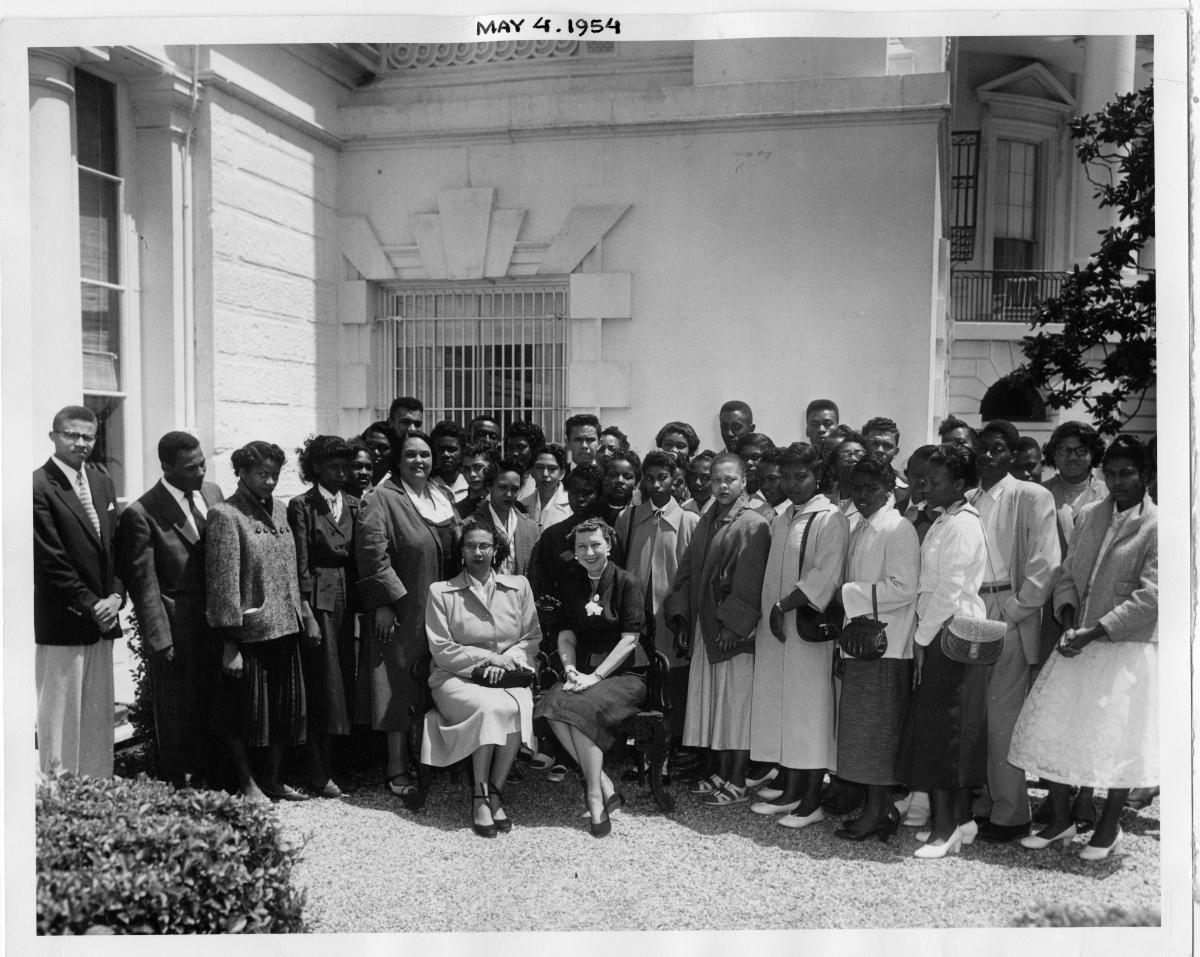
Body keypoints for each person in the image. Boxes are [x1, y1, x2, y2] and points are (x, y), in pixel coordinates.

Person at [1008, 435, 1157, 861]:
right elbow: (1068, 573)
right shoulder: (1091, 514)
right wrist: (1070, 617)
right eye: (1111, 473)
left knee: (1116, 738)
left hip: (1123, 647)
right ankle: (1060, 819)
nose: (1118, 481)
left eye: (1127, 473)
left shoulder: (1158, 525)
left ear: (1146, 476)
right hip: (1077, 639)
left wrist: (1096, 631)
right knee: (1057, 727)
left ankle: (1108, 826)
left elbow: (1152, 595)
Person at [894, 444, 989, 859]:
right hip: (942, 629)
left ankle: (945, 829)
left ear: (960, 484)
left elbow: (949, 591)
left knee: (943, 733)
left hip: (949, 632)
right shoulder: (946, 519)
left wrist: (921, 638)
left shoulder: (962, 524)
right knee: (944, 729)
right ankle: (960, 820)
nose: (925, 486)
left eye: (935, 481)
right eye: (923, 479)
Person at [968, 420, 1061, 843]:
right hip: (971, 607)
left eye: (997, 448)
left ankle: (1012, 814)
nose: (988, 455)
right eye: (982, 447)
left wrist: (1017, 608)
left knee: (1003, 717)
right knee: (976, 714)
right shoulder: (969, 499)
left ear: (1012, 454)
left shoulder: (1031, 495)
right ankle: (985, 803)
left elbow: (1046, 561)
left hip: (1008, 606)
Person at [749, 442, 849, 827]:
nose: (792, 484)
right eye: (786, 477)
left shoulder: (830, 518)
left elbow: (826, 574)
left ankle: (811, 801)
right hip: (779, 631)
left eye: (800, 476)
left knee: (809, 713)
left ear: (818, 476)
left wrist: (783, 605)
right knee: (785, 709)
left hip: (806, 630)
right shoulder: (784, 516)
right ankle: (791, 790)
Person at [356, 430, 460, 800]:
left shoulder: (441, 494)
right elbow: (372, 553)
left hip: (443, 607)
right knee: (398, 684)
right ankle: (396, 766)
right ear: (397, 460)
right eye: (411, 455)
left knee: (435, 680)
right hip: (405, 607)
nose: (419, 461)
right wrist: (383, 603)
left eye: (425, 455)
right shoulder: (381, 498)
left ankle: (430, 759)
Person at [422, 518, 541, 837]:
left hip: (509, 675)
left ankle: (496, 794)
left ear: (495, 550)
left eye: (484, 546)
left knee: (515, 707)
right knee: (489, 708)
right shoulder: (441, 592)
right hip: (455, 678)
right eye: (470, 546)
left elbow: (531, 637)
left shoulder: (519, 587)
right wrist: (486, 659)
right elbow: (441, 647)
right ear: (461, 551)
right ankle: (479, 795)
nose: (477, 552)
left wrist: (506, 662)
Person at [118, 430, 225, 786]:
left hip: (217, 622)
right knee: (178, 712)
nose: (201, 472)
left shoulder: (212, 493)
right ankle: (181, 786)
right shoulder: (141, 512)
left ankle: (217, 782)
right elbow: (144, 583)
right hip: (177, 625)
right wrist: (160, 639)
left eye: (202, 464)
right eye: (191, 468)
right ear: (166, 467)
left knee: (216, 705)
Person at [665, 451, 771, 806]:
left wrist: (733, 626)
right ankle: (722, 772)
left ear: (745, 481)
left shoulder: (753, 523)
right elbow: (686, 571)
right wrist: (682, 616)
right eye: (716, 480)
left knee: (736, 706)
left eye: (730, 479)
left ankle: (738, 779)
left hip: (730, 631)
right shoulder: (708, 518)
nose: (722, 486)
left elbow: (750, 580)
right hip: (704, 624)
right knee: (716, 704)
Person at [206, 441, 307, 802]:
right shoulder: (226, 515)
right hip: (250, 632)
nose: (270, 481)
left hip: (285, 626)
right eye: (262, 474)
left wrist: (301, 613)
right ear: (242, 473)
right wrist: (229, 642)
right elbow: (222, 582)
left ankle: (274, 779)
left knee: (284, 711)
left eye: (275, 474)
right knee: (243, 714)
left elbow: (291, 567)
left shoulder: (280, 510)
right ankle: (247, 784)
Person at [534, 518, 649, 837]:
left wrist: (595, 676)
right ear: (574, 551)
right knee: (551, 706)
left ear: (609, 546)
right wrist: (570, 669)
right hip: (584, 672)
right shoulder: (571, 583)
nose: (589, 552)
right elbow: (566, 636)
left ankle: (594, 796)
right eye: (581, 546)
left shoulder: (627, 582)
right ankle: (603, 782)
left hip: (625, 674)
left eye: (596, 544)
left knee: (581, 710)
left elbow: (630, 641)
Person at [34, 405, 125, 778]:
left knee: (98, 724)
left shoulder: (102, 482)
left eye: (88, 436)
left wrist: (116, 597)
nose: (80, 443)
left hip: (104, 622)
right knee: (61, 724)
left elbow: (116, 548)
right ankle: (61, 802)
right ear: (53, 436)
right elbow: (50, 560)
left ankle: (97, 798)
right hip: (64, 623)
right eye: (71, 434)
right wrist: (92, 606)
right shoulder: (38, 485)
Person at [832, 454, 919, 841]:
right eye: (857, 488)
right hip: (862, 643)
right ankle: (880, 808)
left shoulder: (898, 529)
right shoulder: (862, 526)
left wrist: (850, 593)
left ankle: (876, 811)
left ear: (889, 490)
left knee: (878, 732)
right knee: (864, 733)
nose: (864, 495)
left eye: (872, 488)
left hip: (887, 646)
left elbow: (904, 588)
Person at [287, 435, 361, 797]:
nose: (342, 473)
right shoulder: (303, 505)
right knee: (324, 683)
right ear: (316, 467)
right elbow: (299, 562)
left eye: (346, 467)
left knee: (347, 680)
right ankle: (317, 772)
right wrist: (307, 612)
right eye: (334, 467)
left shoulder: (355, 504)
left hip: (350, 595)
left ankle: (344, 764)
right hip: (320, 595)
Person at [614, 449, 700, 741]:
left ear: (675, 479)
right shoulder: (629, 517)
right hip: (636, 616)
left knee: (672, 680)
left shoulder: (689, 520)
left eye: (663, 477)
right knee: (638, 678)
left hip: (670, 616)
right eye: (649, 478)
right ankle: (639, 746)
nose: (656, 484)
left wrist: (684, 618)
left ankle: (674, 745)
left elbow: (691, 575)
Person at [528, 464, 606, 604]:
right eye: (574, 492)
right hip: (560, 613)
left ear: (599, 495)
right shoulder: (552, 535)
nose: (580, 498)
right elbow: (540, 583)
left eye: (587, 492)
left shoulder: (608, 536)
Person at [474, 458, 541, 576]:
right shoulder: (470, 525)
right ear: (489, 487)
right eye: (502, 487)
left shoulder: (532, 528)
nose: (509, 494)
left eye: (515, 489)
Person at [521, 443, 571, 529]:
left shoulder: (572, 505)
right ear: (532, 471)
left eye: (552, 469)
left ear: (562, 474)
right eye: (539, 467)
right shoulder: (522, 506)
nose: (545, 474)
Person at [861, 416, 908, 505]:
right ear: (863, 447)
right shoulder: (847, 486)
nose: (880, 450)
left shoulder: (908, 490)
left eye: (887, 446)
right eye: (874, 444)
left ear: (896, 452)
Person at [428, 420, 469, 504]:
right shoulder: (426, 484)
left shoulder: (471, 483)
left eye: (451, 450)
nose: (445, 454)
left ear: (462, 452)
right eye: (440, 449)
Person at [828, 430, 867, 513]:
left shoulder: (871, 500)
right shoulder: (825, 499)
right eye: (845, 454)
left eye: (859, 454)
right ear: (834, 465)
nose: (853, 459)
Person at [504, 420, 544, 500]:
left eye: (521, 447)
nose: (515, 453)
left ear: (534, 449)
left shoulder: (543, 482)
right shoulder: (499, 479)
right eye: (510, 448)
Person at [456, 442, 497, 519]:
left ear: (492, 467)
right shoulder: (457, 511)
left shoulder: (506, 503)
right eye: (467, 469)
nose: (472, 474)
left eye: (478, 467)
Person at [599, 450, 640, 526]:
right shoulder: (594, 508)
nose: (620, 481)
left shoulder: (640, 510)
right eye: (613, 475)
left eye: (627, 476)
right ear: (604, 478)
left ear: (636, 481)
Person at [735, 432, 776, 505]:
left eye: (755, 457)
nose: (748, 463)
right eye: (743, 458)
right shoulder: (733, 494)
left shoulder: (782, 494)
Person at [750, 447, 790, 518]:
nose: (765, 485)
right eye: (760, 479)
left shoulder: (797, 514)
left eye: (772, 479)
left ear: (787, 477)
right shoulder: (755, 512)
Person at [361, 421, 399, 487]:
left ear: (393, 451)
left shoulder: (398, 486)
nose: (375, 452)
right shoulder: (349, 482)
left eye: (382, 447)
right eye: (370, 445)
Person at [683, 450, 716, 516]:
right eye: (693, 476)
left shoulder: (721, 510)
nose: (697, 482)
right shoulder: (684, 508)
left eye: (705, 478)